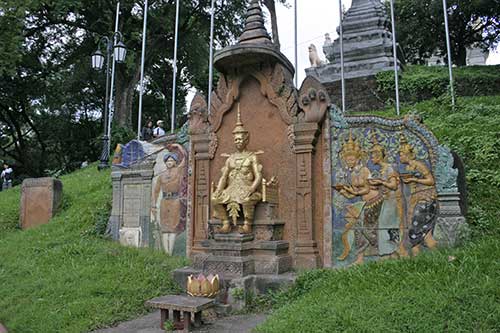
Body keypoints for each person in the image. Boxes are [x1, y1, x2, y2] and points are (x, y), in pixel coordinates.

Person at [211, 104, 263, 234]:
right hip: (231, 188)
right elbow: (224, 177)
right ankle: (226, 223)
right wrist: (218, 190)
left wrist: (251, 189)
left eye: (240, 139)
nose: (238, 141)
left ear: (246, 140)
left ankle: (247, 225)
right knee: (214, 199)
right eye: (236, 139)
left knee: (246, 199)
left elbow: (258, 176)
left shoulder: (252, 157)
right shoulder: (230, 158)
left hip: (247, 188)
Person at [335, 132, 382, 264]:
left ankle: (371, 252)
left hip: (375, 201)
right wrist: (343, 192)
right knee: (358, 227)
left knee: (363, 227)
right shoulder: (352, 174)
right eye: (347, 160)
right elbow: (354, 193)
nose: (349, 162)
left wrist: (353, 192)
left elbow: (366, 189)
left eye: (351, 159)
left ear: (358, 159)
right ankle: (361, 257)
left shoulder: (364, 170)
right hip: (365, 202)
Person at [398, 134, 438, 256]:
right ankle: (418, 258)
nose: (399, 157)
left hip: (425, 199)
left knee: (420, 231)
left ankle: (437, 256)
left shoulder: (419, 165)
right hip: (418, 198)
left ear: (407, 155)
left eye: (401, 154)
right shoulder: (409, 166)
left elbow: (431, 181)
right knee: (417, 230)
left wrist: (415, 180)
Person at [368, 137, 406, 258]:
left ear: (379, 155)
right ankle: (389, 252)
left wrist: (381, 182)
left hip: (393, 201)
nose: (371, 158)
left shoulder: (389, 168)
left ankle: (393, 250)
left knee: (388, 224)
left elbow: (393, 185)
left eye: (373, 155)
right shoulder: (382, 169)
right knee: (384, 224)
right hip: (387, 200)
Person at [151, 149, 185, 254]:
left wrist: (178, 146)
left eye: (171, 160)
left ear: (175, 162)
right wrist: (153, 205)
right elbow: (156, 191)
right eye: (168, 161)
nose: (169, 162)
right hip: (164, 201)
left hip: (175, 201)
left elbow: (185, 158)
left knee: (173, 226)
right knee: (165, 227)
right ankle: (166, 253)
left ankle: (171, 251)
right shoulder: (161, 176)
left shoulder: (179, 171)